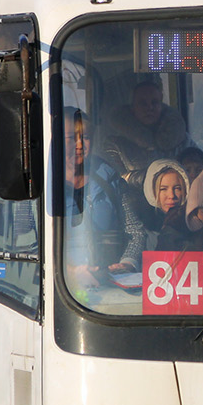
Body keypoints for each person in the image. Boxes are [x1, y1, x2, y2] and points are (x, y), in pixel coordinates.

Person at [61, 107, 146, 287]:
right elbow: (27, 244)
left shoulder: (111, 179)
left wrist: (127, 263)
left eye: (86, 137)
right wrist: (69, 272)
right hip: (59, 289)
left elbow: (135, 232)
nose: (79, 144)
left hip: (108, 288)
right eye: (70, 137)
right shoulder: (39, 184)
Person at [101, 79, 190, 188]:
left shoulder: (181, 139)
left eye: (154, 102)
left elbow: (194, 169)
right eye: (143, 103)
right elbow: (116, 180)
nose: (149, 108)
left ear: (161, 105)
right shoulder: (115, 144)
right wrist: (163, 177)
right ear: (133, 108)